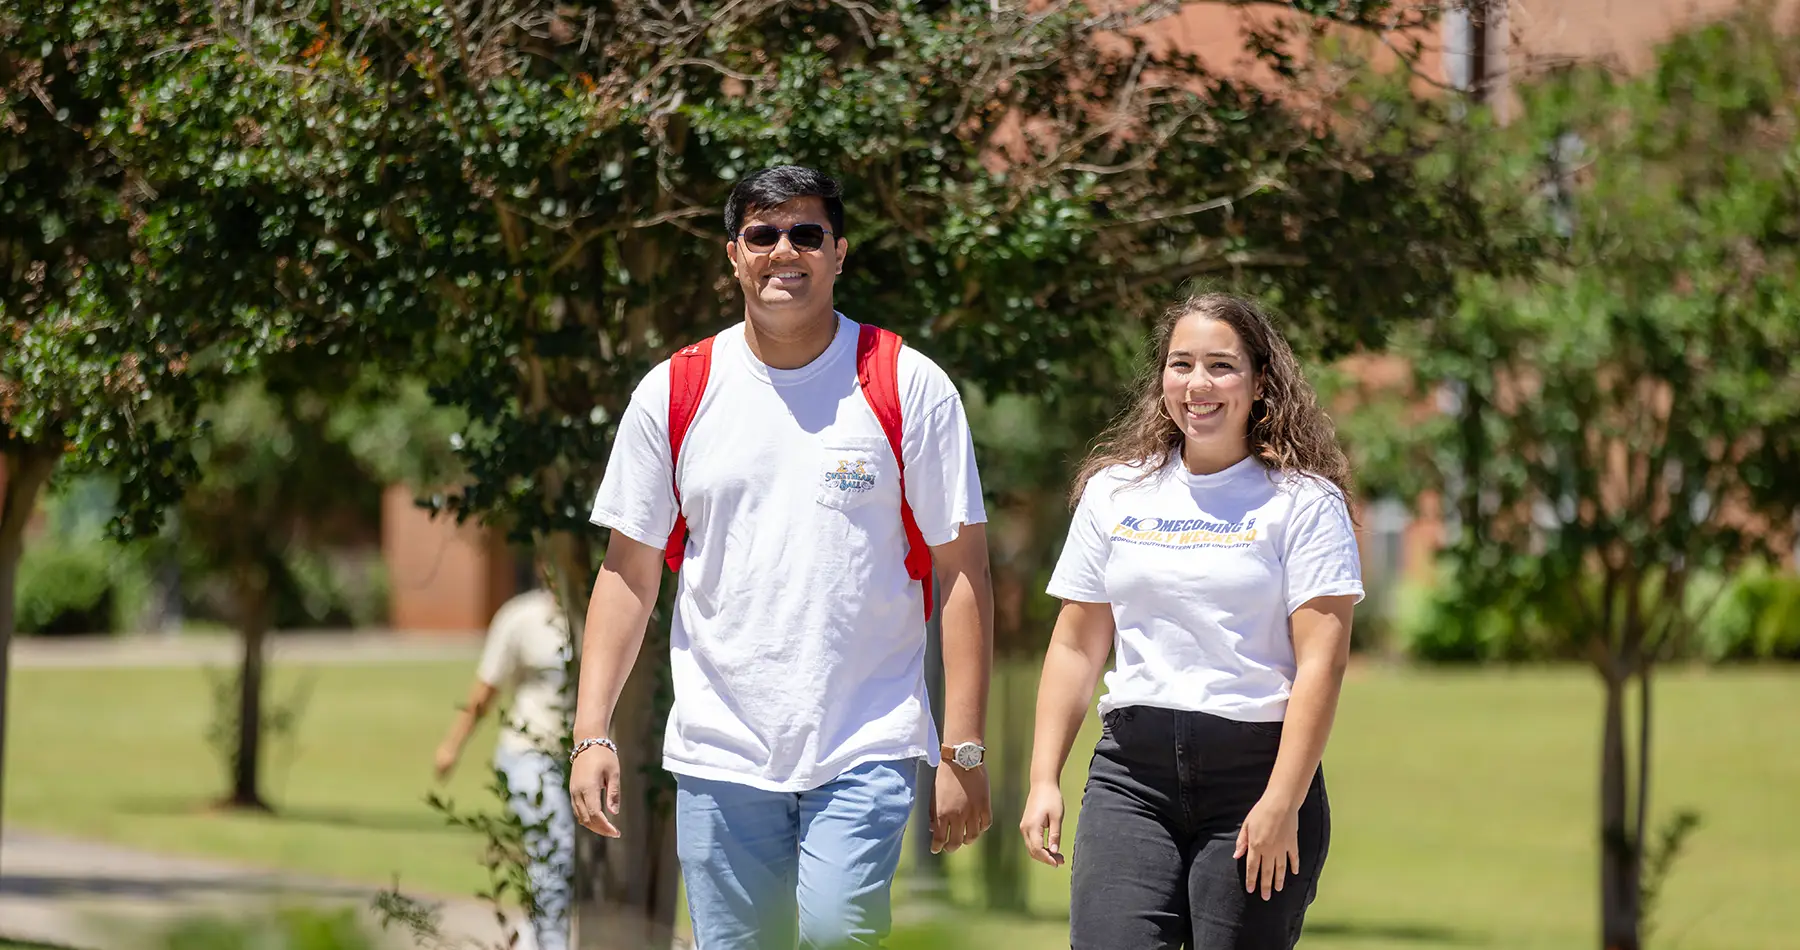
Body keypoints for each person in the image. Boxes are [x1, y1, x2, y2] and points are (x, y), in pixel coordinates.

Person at [568, 165, 996, 949]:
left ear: (839, 252)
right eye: (762, 235)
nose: (784, 251)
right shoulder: (675, 391)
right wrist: (592, 729)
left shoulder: (908, 384)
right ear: (734, 255)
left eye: (806, 234)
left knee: (837, 932)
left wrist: (962, 749)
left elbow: (962, 566)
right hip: (720, 744)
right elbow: (627, 574)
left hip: (866, 736)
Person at [1019, 292, 1364, 950]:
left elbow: (1324, 661)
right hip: (1132, 777)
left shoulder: (1303, 503)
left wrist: (1282, 802)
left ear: (1261, 382)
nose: (1198, 385)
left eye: (1220, 366)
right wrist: (1043, 779)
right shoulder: (1115, 491)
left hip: (1256, 777)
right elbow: (1076, 645)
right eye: (1181, 365)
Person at [435, 585, 576, 950]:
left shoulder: (597, 610)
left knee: (564, 860)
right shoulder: (520, 617)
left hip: (580, 757)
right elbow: (485, 691)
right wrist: (452, 745)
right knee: (554, 848)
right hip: (528, 751)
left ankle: (532, 939)